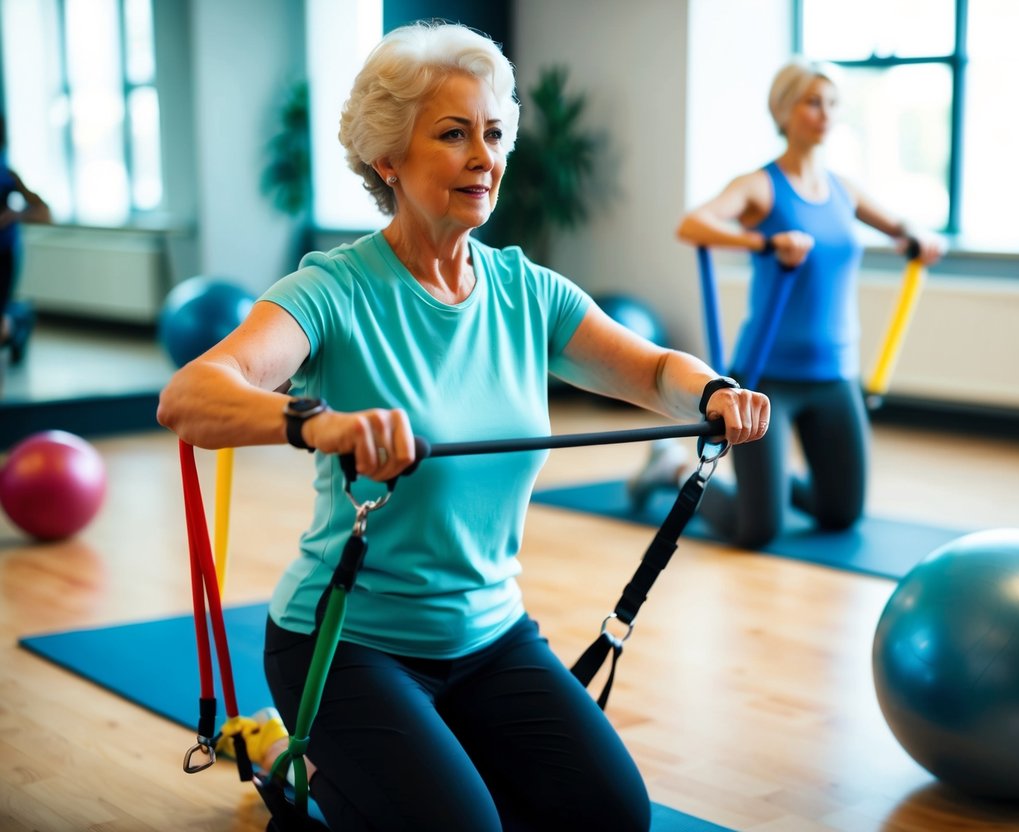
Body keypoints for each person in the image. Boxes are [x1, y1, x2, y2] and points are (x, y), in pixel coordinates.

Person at [157, 22, 768, 832]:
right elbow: (191, 397)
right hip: (344, 644)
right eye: (453, 135)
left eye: (493, 133)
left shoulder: (526, 291)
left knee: (612, 816)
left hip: (491, 636)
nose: (485, 157)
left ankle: (403, 761)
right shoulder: (332, 291)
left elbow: (653, 371)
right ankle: (312, 763)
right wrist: (319, 423)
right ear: (388, 159)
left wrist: (714, 391)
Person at [629, 58, 944, 548]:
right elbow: (692, 224)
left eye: (833, 104)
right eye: (812, 102)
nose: (825, 114)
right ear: (783, 111)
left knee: (840, 514)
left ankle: (765, 487)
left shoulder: (845, 189)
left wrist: (917, 235)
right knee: (759, 530)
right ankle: (669, 470)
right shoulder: (760, 185)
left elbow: (901, 227)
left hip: (835, 376)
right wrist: (766, 243)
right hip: (767, 377)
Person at [0, 115, 51, 364]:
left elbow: (44, 213)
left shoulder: (7, 176)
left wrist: (13, 215)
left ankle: (20, 320)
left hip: (3, 255)